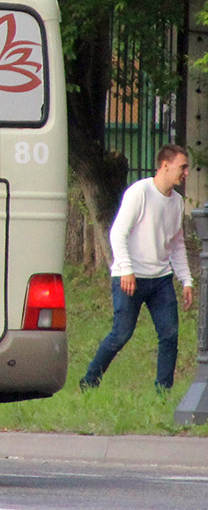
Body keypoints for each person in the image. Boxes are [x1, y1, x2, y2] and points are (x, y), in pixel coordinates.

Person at [81, 144, 194, 392]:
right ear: (165, 165)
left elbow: (176, 244)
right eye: (182, 167)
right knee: (120, 335)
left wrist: (186, 281)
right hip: (130, 277)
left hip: (161, 279)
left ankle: (163, 392)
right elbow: (118, 233)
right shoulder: (140, 192)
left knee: (169, 335)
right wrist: (127, 269)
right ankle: (89, 381)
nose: (186, 173)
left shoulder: (176, 202)